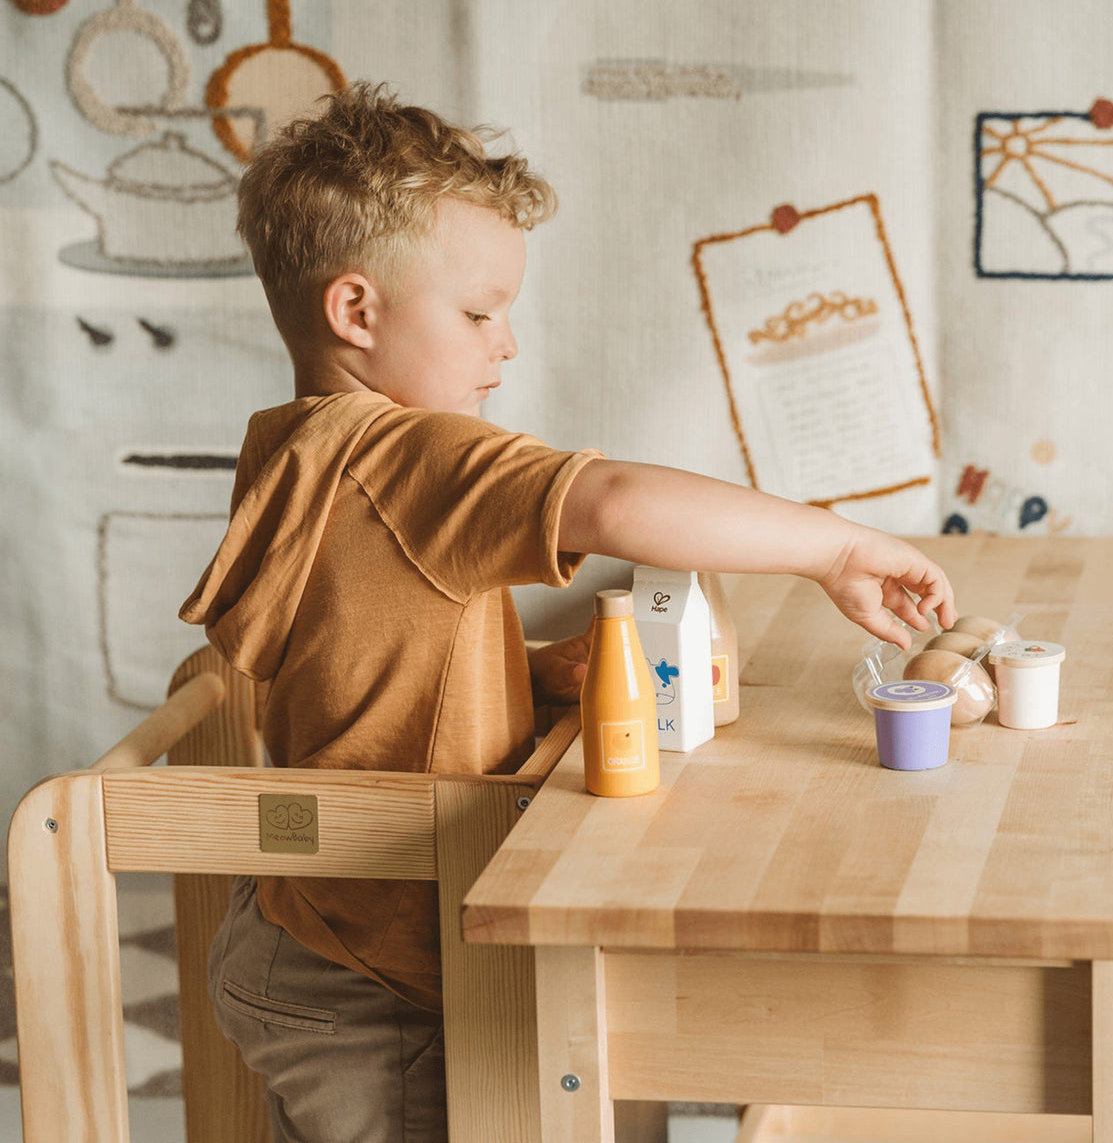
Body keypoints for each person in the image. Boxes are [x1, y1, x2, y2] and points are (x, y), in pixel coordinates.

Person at [180, 81, 956, 1143]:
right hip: (374, 977)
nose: (506, 346)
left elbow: (365, 654)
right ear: (357, 311)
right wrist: (839, 546)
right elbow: (619, 502)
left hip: (311, 930)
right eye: (477, 313)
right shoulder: (408, 452)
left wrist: (531, 669)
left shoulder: (300, 442)